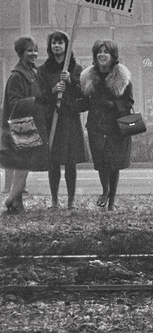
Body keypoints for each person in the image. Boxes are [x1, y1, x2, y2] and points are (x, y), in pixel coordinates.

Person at [80, 40, 133, 211]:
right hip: (96, 126)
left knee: (113, 164)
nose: (102, 55)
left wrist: (113, 105)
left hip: (116, 126)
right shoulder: (88, 78)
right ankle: (105, 190)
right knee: (101, 162)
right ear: (95, 56)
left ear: (113, 56)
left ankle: (111, 202)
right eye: (99, 52)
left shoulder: (122, 77)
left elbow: (129, 102)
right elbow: (84, 103)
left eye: (106, 52)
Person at [37, 31, 86, 210]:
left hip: (69, 119)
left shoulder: (75, 68)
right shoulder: (43, 70)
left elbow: (82, 92)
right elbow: (39, 94)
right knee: (54, 162)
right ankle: (54, 200)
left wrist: (70, 81)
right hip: (52, 119)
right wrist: (53, 90)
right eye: (54, 43)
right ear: (50, 47)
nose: (57, 46)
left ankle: (71, 200)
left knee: (70, 162)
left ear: (66, 46)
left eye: (60, 43)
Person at [1, 36, 49, 213]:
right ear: (21, 53)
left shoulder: (33, 73)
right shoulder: (17, 76)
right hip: (20, 125)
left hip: (30, 124)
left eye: (35, 50)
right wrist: (35, 101)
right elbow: (14, 103)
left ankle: (14, 200)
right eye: (30, 51)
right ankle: (13, 199)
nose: (34, 54)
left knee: (25, 164)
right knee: (22, 164)